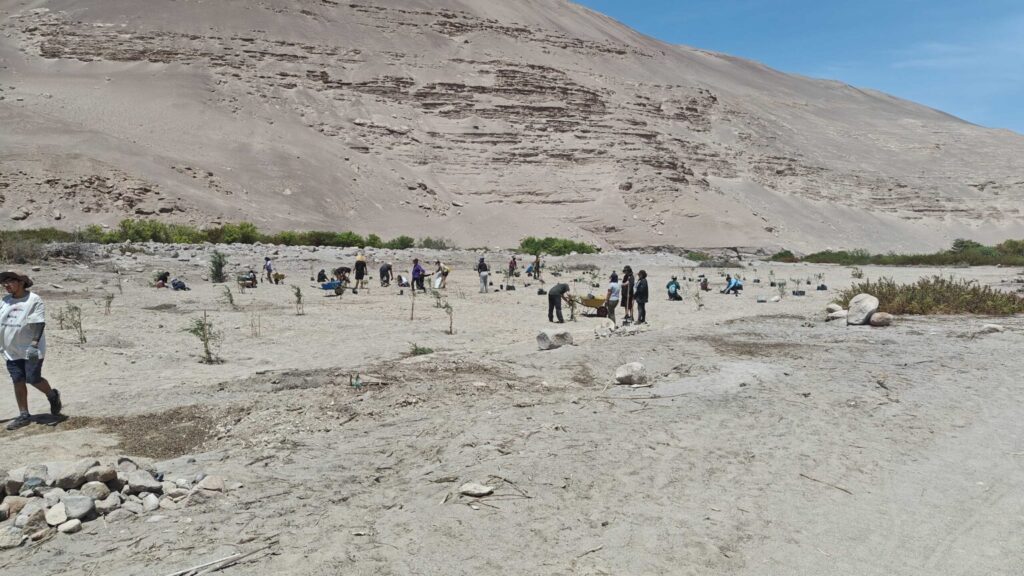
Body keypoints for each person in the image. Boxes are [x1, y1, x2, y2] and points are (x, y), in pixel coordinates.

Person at [1, 271, 61, 430]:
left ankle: (52, 395)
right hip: (10, 350)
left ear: (21, 282)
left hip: (30, 349)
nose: (5, 285)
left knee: (33, 378)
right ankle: (24, 415)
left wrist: (34, 345)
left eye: (9, 281)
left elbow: (39, 323)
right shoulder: (5, 300)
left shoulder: (33, 300)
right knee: (18, 380)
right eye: (3, 282)